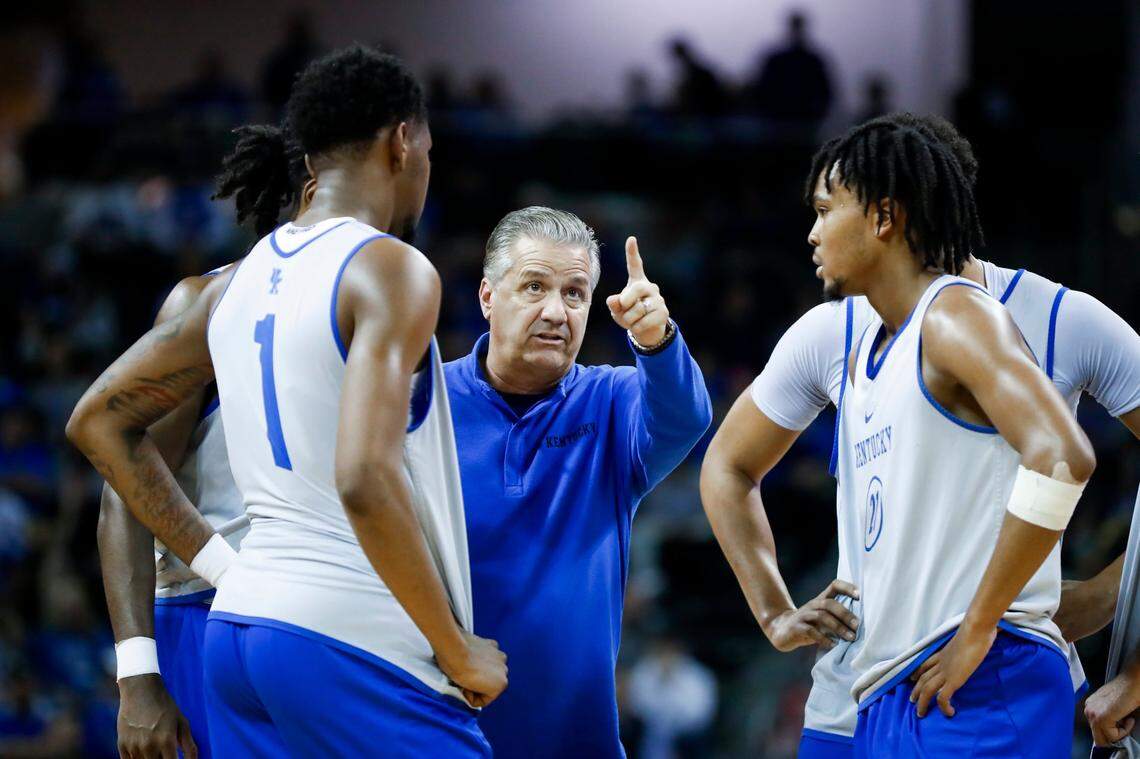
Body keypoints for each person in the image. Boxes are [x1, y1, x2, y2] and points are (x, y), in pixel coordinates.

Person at [67, 46, 506, 757]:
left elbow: (96, 419)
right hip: (327, 620)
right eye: (428, 145)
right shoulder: (387, 270)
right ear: (402, 140)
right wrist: (455, 650)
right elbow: (363, 478)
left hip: (243, 625)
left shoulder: (235, 288)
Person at [701, 113, 1140, 756]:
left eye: (826, 210)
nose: (812, 232)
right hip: (880, 685)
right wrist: (774, 611)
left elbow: (1062, 456)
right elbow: (727, 467)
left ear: (887, 217)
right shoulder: (856, 334)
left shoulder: (979, 313)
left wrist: (1104, 598)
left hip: (978, 674)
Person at [444, 206, 712, 758]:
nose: (555, 311)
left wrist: (656, 340)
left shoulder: (611, 399)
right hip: (440, 731)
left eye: (575, 293)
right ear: (488, 296)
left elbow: (686, 418)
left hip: (578, 741)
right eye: (534, 286)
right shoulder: (423, 403)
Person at [95, 128, 318, 759]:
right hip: (205, 610)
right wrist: (138, 679)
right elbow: (121, 491)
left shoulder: (367, 311)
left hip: (312, 616)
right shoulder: (209, 302)